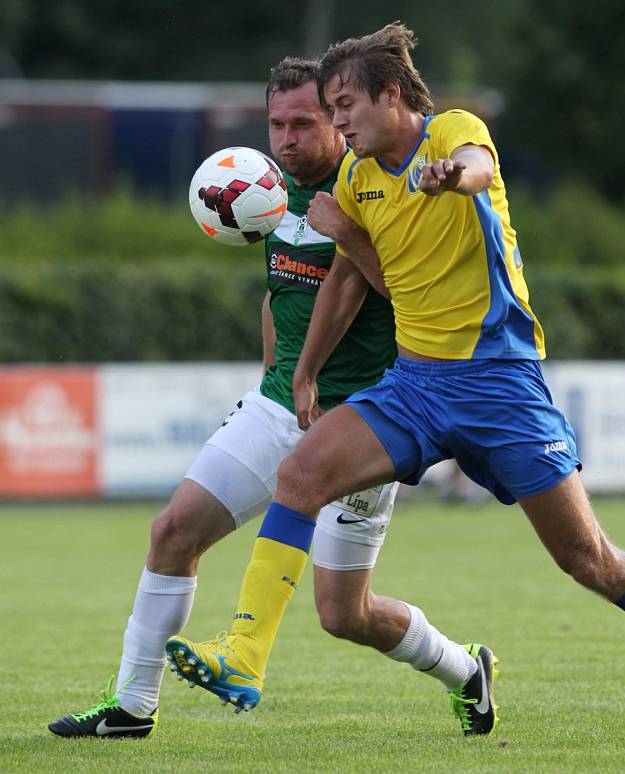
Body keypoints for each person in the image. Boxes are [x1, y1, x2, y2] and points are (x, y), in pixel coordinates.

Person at [168, 24, 625, 742]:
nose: (338, 121)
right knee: (300, 476)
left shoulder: (451, 130)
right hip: (413, 386)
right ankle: (244, 655)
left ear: (391, 95)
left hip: (501, 387)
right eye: (330, 107)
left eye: (345, 104)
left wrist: (452, 175)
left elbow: (477, 165)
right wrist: (303, 371)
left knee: (590, 561)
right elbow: (351, 280)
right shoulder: (357, 179)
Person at [48, 57, 479, 739]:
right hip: (281, 403)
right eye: (276, 124)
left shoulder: (369, 187)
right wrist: (274, 382)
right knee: (171, 532)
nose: (287, 138)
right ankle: (133, 706)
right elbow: (279, 294)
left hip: (369, 420)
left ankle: (466, 670)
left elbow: (410, 295)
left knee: (345, 615)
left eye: (303, 122)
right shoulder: (264, 190)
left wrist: (350, 235)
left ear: (338, 120)